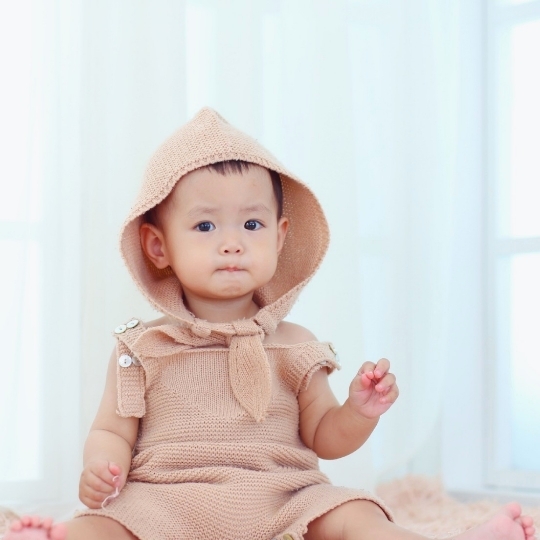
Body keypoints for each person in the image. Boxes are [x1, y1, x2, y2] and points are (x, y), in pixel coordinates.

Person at [6, 108, 536, 540]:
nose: (232, 242)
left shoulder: (295, 346)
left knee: (353, 512)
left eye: (252, 223)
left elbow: (324, 436)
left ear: (280, 237)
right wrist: (102, 467)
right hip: (166, 503)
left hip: (282, 500)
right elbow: (110, 429)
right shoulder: (143, 346)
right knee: (102, 527)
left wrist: (358, 412)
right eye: (205, 225)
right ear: (158, 246)